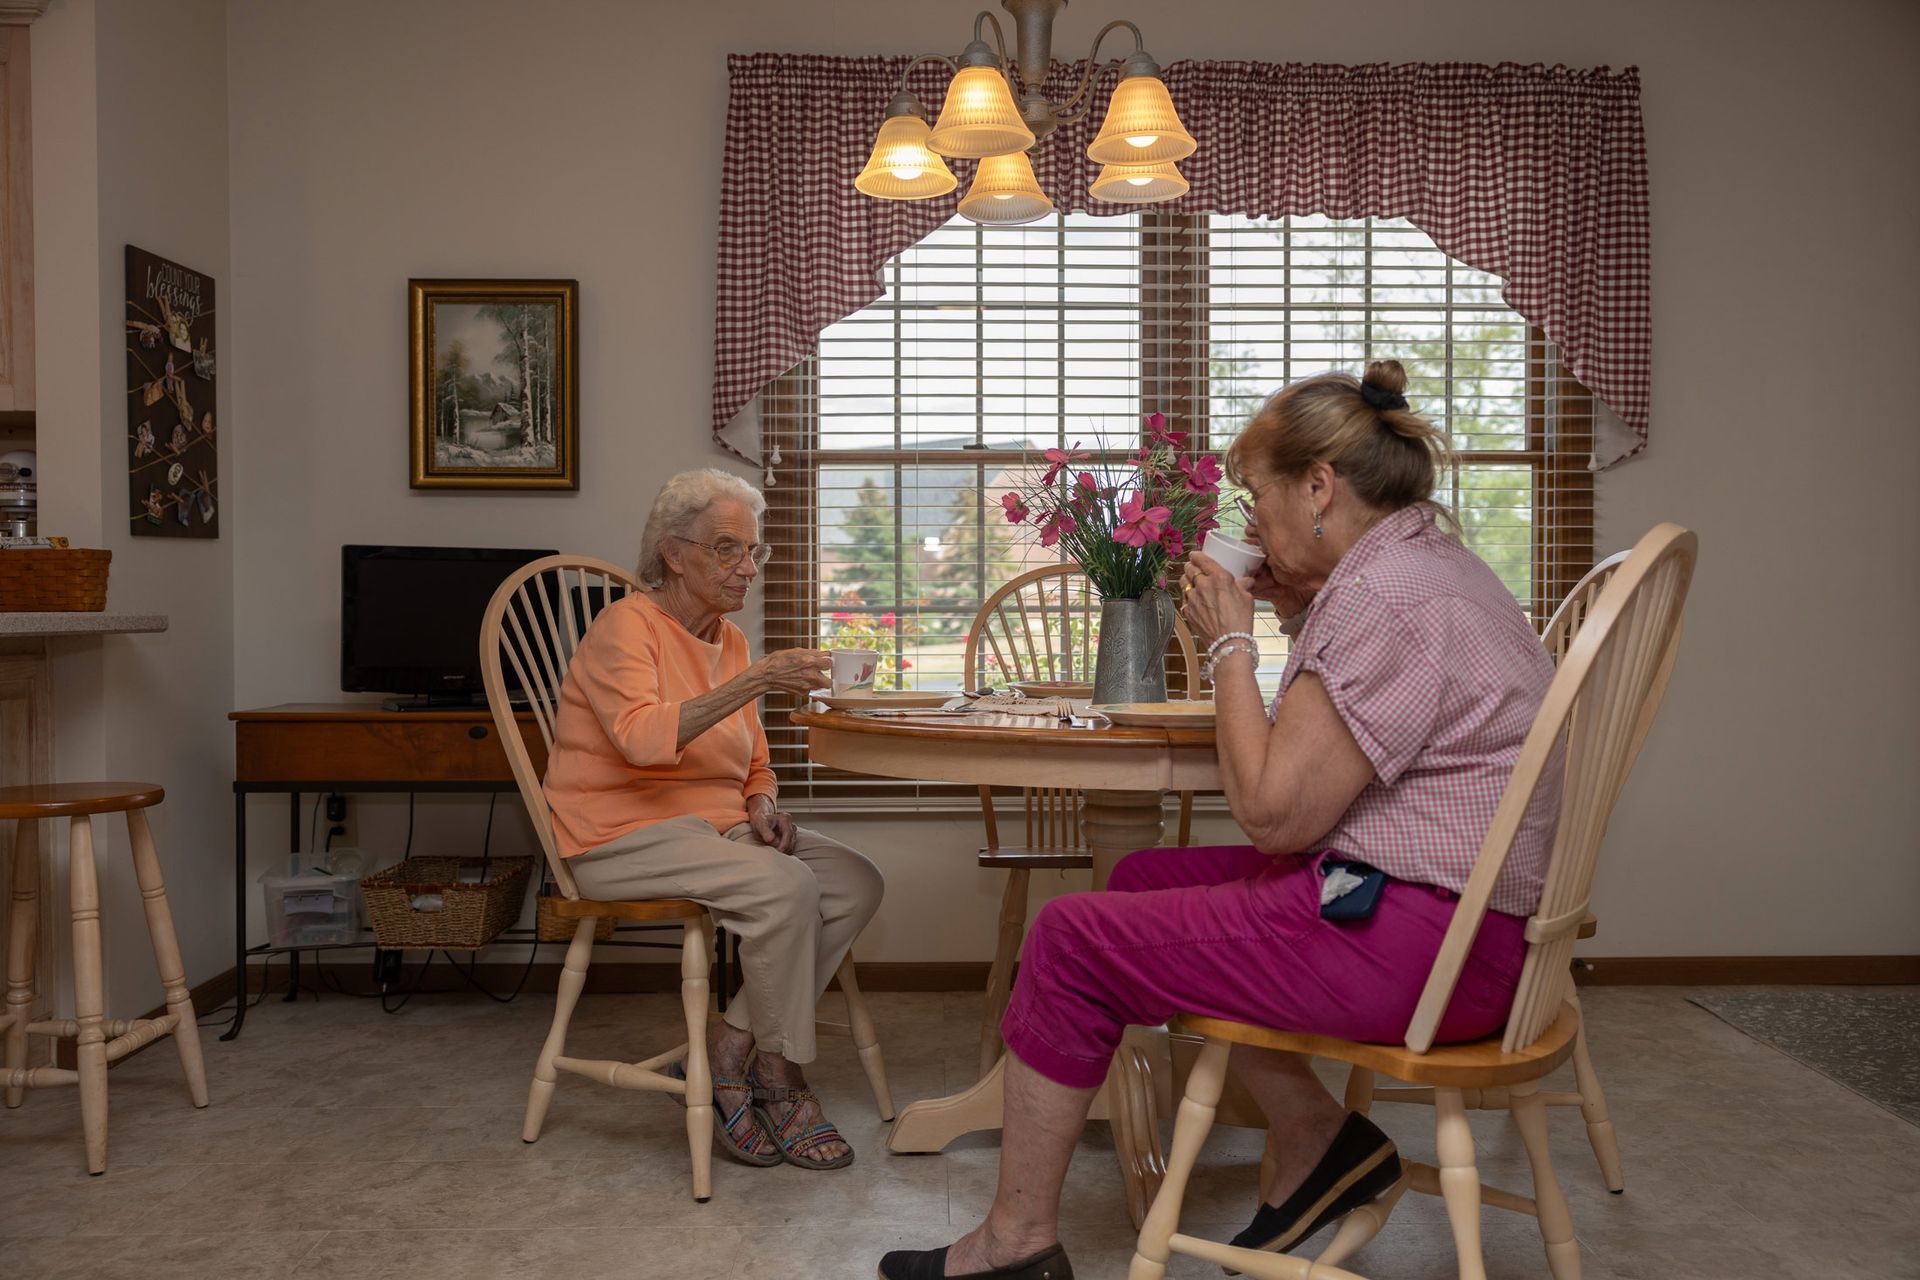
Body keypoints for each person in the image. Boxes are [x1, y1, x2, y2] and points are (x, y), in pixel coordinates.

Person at [878, 361, 1561, 1279]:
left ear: (1318, 486)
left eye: (1257, 495)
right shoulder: (1419, 565)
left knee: (1072, 936)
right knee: (1137, 880)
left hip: (1426, 943)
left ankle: (1014, 1248)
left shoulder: (1383, 597)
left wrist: (1233, 640)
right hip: (1456, 925)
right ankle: (1317, 1133)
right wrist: (1299, 615)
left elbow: (1276, 814)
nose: (1251, 525)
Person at [543, 467, 884, 1171]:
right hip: (618, 834)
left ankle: (730, 1049)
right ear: (674, 552)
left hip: (714, 829)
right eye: (728, 549)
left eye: (754, 551)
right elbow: (642, 740)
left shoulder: (727, 641)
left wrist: (762, 804)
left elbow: (752, 758)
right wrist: (758, 679)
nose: (747, 568)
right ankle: (781, 1077)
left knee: (854, 879)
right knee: (784, 888)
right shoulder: (625, 627)